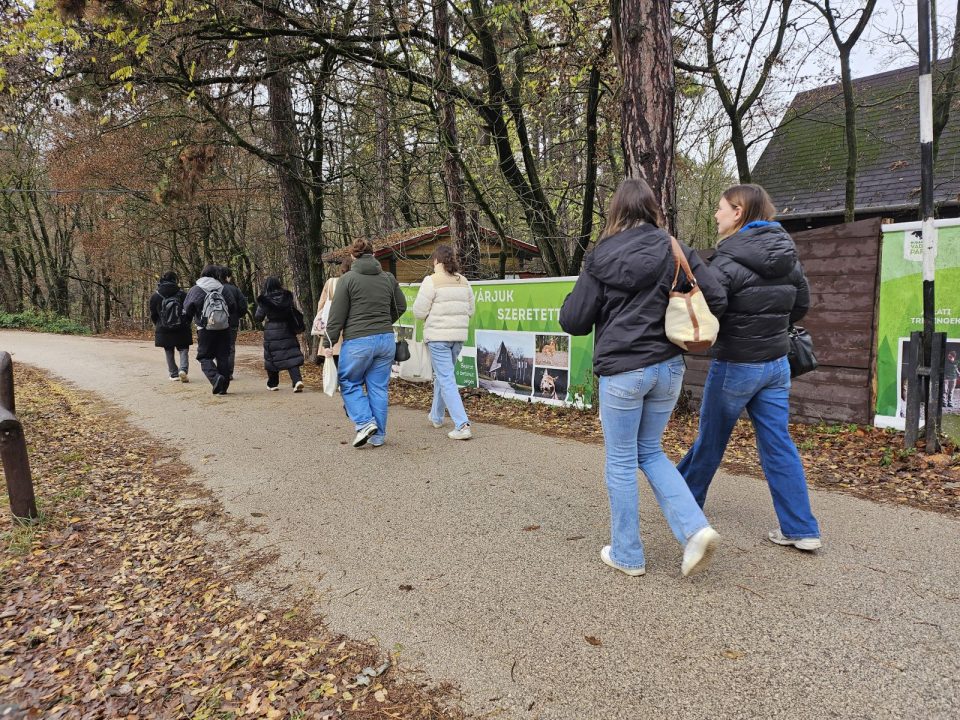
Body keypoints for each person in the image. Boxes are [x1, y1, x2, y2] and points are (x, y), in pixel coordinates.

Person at [559, 178, 727, 577]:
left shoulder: (601, 257)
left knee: (621, 460)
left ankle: (628, 554)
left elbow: (574, 320)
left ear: (616, 211)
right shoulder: (675, 249)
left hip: (623, 371)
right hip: (668, 367)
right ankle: (695, 529)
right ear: (653, 209)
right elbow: (717, 297)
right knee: (650, 451)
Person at [676, 184, 822, 551]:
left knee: (711, 440)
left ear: (738, 212)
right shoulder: (788, 254)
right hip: (776, 365)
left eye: (720, 208)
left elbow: (712, 308)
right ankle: (801, 529)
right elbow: (801, 305)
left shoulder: (728, 259)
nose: (716, 215)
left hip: (737, 365)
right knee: (778, 443)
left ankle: (682, 508)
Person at [322, 237, 406, 448]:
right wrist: (384, 321)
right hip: (386, 340)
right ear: (374, 255)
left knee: (349, 382)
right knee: (378, 388)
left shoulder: (347, 279)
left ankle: (365, 423)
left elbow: (337, 315)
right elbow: (401, 306)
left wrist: (328, 341)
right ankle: (378, 436)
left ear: (353, 256)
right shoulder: (388, 278)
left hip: (358, 341)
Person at [412, 244, 475, 440]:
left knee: (446, 378)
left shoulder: (431, 281)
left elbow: (419, 312)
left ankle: (462, 425)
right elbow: (471, 310)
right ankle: (437, 416)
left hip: (438, 337)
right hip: (458, 337)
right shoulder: (463, 281)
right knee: (443, 376)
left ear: (436, 261)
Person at [183, 264, 237, 395]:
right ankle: (223, 388)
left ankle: (215, 378)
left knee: (204, 357)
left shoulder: (196, 289)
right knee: (223, 357)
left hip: (205, 329)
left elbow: (187, 308)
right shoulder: (223, 289)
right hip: (224, 329)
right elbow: (233, 306)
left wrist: (189, 322)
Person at [254, 276, 305, 392]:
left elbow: (258, 317)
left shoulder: (264, 300)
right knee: (291, 355)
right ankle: (297, 380)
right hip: (287, 328)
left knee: (271, 357)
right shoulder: (287, 296)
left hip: (272, 330)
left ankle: (273, 384)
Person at [149, 271, 192, 382]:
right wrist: (187, 321)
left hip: (163, 327)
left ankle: (173, 374)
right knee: (183, 348)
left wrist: (158, 324)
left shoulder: (156, 295)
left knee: (168, 349)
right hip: (181, 326)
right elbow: (189, 310)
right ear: (175, 280)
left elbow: (153, 314)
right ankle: (183, 369)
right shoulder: (182, 294)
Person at [315, 255, 353, 369]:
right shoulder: (356, 282)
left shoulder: (331, 282)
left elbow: (321, 303)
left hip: (332, 324)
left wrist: (321, 320)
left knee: (334, 357)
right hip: (350, 325)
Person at [218, 266, 248, 381]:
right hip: (232, 322)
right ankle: (229, 373)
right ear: (228, 277)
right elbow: (243, 306)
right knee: (230, 347)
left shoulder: (213, 288)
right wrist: (236, 315)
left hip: (215, 322)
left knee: (218, 347)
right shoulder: (234, 289)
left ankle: (220, 371)